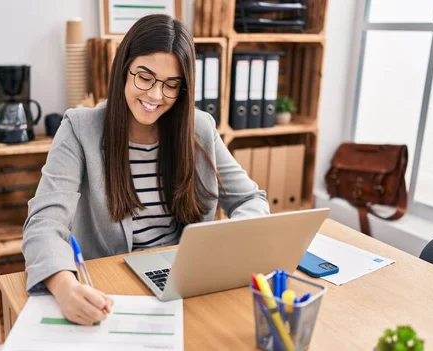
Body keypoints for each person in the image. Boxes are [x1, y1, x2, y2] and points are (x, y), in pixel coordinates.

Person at [22, 14, 269, 326]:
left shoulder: (199, 127)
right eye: (145, 77)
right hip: (111, 287)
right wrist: (65, 286)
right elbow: (43, 222)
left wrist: (221, 246)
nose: (155, 95)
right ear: (124, 69)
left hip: (184, 282)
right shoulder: (79, 129)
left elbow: (251, 200)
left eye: (170, 84)